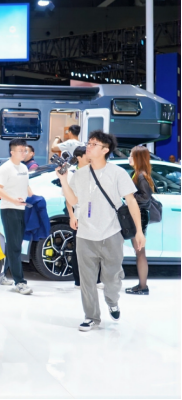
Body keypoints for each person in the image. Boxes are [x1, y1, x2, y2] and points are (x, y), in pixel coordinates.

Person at [57, 130, 146, 332]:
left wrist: (139, 231)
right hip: (85, 235)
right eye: (88, 143)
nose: (88, 146)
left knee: (112, 279)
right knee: (87, 280)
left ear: (105, 150)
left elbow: (131, 201)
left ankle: (112, 301)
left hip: (111, 234)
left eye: (94, 144)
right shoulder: (79, 175)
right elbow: (73, 200)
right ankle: (91, 317)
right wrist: (63, 180)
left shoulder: (117, 173)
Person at [0, 139, 34, 295]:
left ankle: (2, 274)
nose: (23, 153)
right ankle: (20, 282)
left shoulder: (23, 167)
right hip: (10, 209)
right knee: (15, 246)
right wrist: (13, 200)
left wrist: (33, 197)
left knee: (14, 244)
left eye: (25, 150)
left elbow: (26, 185)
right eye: (20, 150)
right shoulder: (5, 168)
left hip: (22, 208)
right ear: (12, 152)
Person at [67, 146, 102, 290]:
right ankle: (79, 282)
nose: (89, 157)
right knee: (79, 250)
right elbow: (68, 199)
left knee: (96, 249)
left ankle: (96, 280)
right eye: (86, 155)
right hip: (79, 215)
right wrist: (72, 216)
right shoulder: (72, 175)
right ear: (79, 158)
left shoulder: (94, 172)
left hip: (95, 215)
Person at [126, 145, 153, 296]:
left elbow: (145, 197)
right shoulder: (138, 174)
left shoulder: (141, 176)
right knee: (140, 252)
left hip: (139, 216)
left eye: (131, 155)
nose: (129, 158)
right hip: (138, 215)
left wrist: (128, 195)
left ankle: (143, 287)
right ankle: (142, 285)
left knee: (140, 253)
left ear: (138, 158)